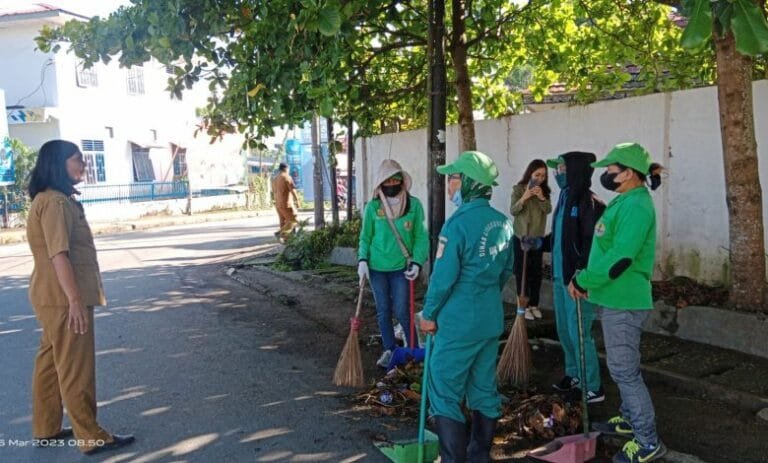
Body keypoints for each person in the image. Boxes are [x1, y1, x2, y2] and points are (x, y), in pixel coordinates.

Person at [26, 140, 134, 456]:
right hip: (63, 299)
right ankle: (91, 436)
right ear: (59, 164)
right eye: (78, 159)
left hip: (49, 296)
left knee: (49, 362)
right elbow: (60, 254)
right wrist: (75, 300)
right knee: (75, 367)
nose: (84, 165)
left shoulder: (48, 200)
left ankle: (46, 427)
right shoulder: (57, 203)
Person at [568, 142, 666, 463]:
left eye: (611, 170)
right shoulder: (625, 201)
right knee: (622, 366)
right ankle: (627, 418)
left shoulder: (637, 206)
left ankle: (648, 441)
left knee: (624, 371)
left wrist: (584, 280)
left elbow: (620, 259)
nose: (606, 175)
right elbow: (605, 251)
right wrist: (586, 276)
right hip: (610, 296)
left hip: (623, 300)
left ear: (628, 173)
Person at [420, 151, 515, 462]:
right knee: (483, 387)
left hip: (458, 320)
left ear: (471, 183)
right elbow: (505, 272)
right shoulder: (503, 223)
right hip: (489, 317)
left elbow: (443, 279)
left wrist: (429, 314)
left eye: (454, 179)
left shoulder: (455, 226)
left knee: (444, 390)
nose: (449, 186)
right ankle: (479, 455)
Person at [544, 152, 605, 403]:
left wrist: (581, 274)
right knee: (565, 330)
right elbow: (559, 237)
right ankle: (574, 375)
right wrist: (539, 243)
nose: (557, 173)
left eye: (561, 169)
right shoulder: (564, 198)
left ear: (576, 170)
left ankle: (593, 387)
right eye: (556, 169)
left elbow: (592, 244)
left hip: (577, 281)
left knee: (579, 332)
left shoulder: (589, 203)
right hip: (560, 277)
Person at [358, 159, 428, 368]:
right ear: (380, 184)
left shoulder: (414, 206)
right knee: (383, 310)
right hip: (376, 268)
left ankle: (414, 351)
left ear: (402, 181)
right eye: (386, 182)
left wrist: (417, 262)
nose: (391, 185)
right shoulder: (373, 207)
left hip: (402, 269)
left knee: (403, 310)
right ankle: (390, 350)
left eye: (395, 180)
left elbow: (421, 237)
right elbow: (365, 237)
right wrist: (362, 260)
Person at [509, 159, 552, 320]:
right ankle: (523, 306)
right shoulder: (519, 189)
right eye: (537, 174)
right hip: (521, 237)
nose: (540, 178)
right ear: (530, 173)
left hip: (537, 239)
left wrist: (541, 197)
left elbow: (548, 210)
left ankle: (534, 304)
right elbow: (513, 210)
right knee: (523, 272)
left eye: (543, 176)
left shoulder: (545, 191)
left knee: (536, 273)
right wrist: (524, 197)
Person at [272, 162, 300, 242]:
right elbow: (293, 190)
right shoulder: (286, 177)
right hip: (286, 203)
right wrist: (297, 200)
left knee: (283, 222)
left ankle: (286, 240)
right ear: (286, 168)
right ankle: (280, 233)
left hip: (277, 204)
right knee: (293, 220)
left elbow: (274, 191)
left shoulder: (275, 178)